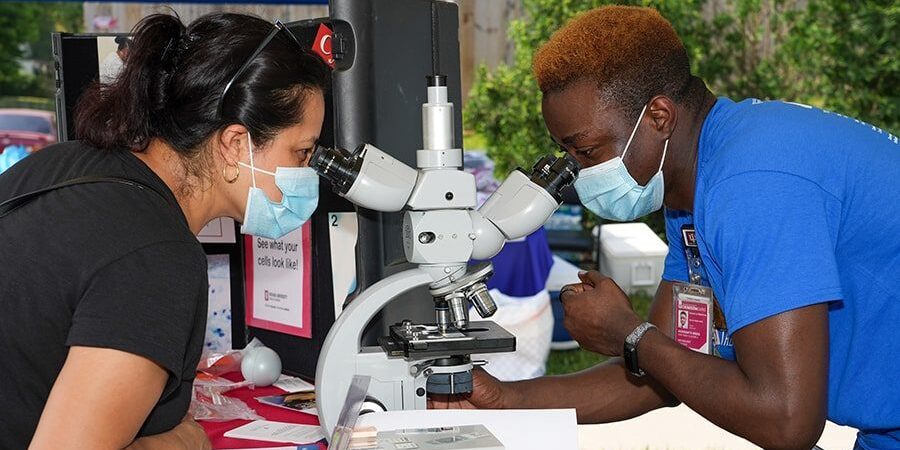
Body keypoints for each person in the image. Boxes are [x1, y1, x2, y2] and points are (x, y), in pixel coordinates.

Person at [432, 6, 899, 450]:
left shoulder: (751, 183)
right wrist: (507, 399)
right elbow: (667, 371)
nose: (579, 173)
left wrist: (631, 335)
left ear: (658, 117)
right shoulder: (695, 192)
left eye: (587, 151)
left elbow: (786, 421)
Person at [0, 12, 328, 449]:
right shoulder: (155, 255)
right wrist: (180, 442)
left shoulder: (63, 164)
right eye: (301, 152)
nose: (307, 172)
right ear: (234, 144)